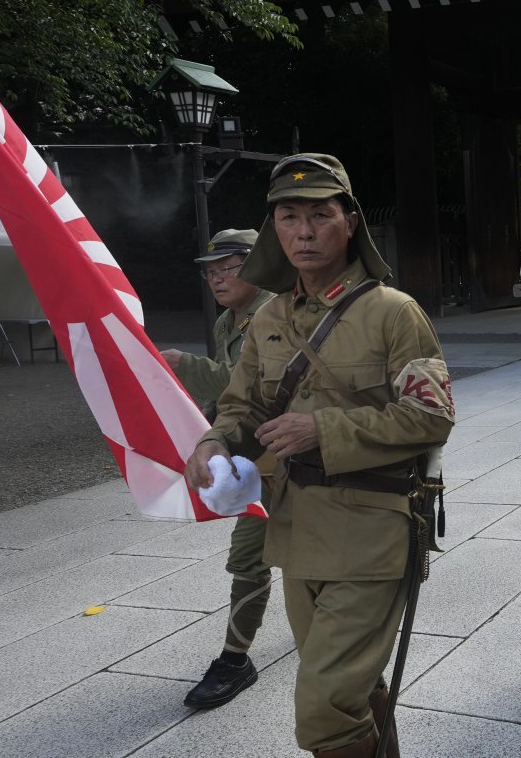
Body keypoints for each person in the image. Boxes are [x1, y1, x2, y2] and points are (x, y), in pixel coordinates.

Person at [184, 153, 455, 757]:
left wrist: (321, 431)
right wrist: (214, 440)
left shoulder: (392, 312)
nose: (304, 231)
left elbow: (432, 415)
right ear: (273, 228)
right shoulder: (269, 318)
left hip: (372, 531)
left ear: (350, 221)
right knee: (351, 687)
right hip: (295, 528)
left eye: (320, 215)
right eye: (288, 216)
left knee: (323, 710)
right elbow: (242, 406)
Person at [159, 229, 277, 710]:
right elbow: (229, 400)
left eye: (226, 267)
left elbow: (250, 385)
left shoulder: (279, 311)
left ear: (255, 264)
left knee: (326, 554)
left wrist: (185, 365)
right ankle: (235, 659)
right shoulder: (231, 322)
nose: (216, 278)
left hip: (305, 456)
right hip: (259, 463)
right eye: (210, 271)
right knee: (249, 558)